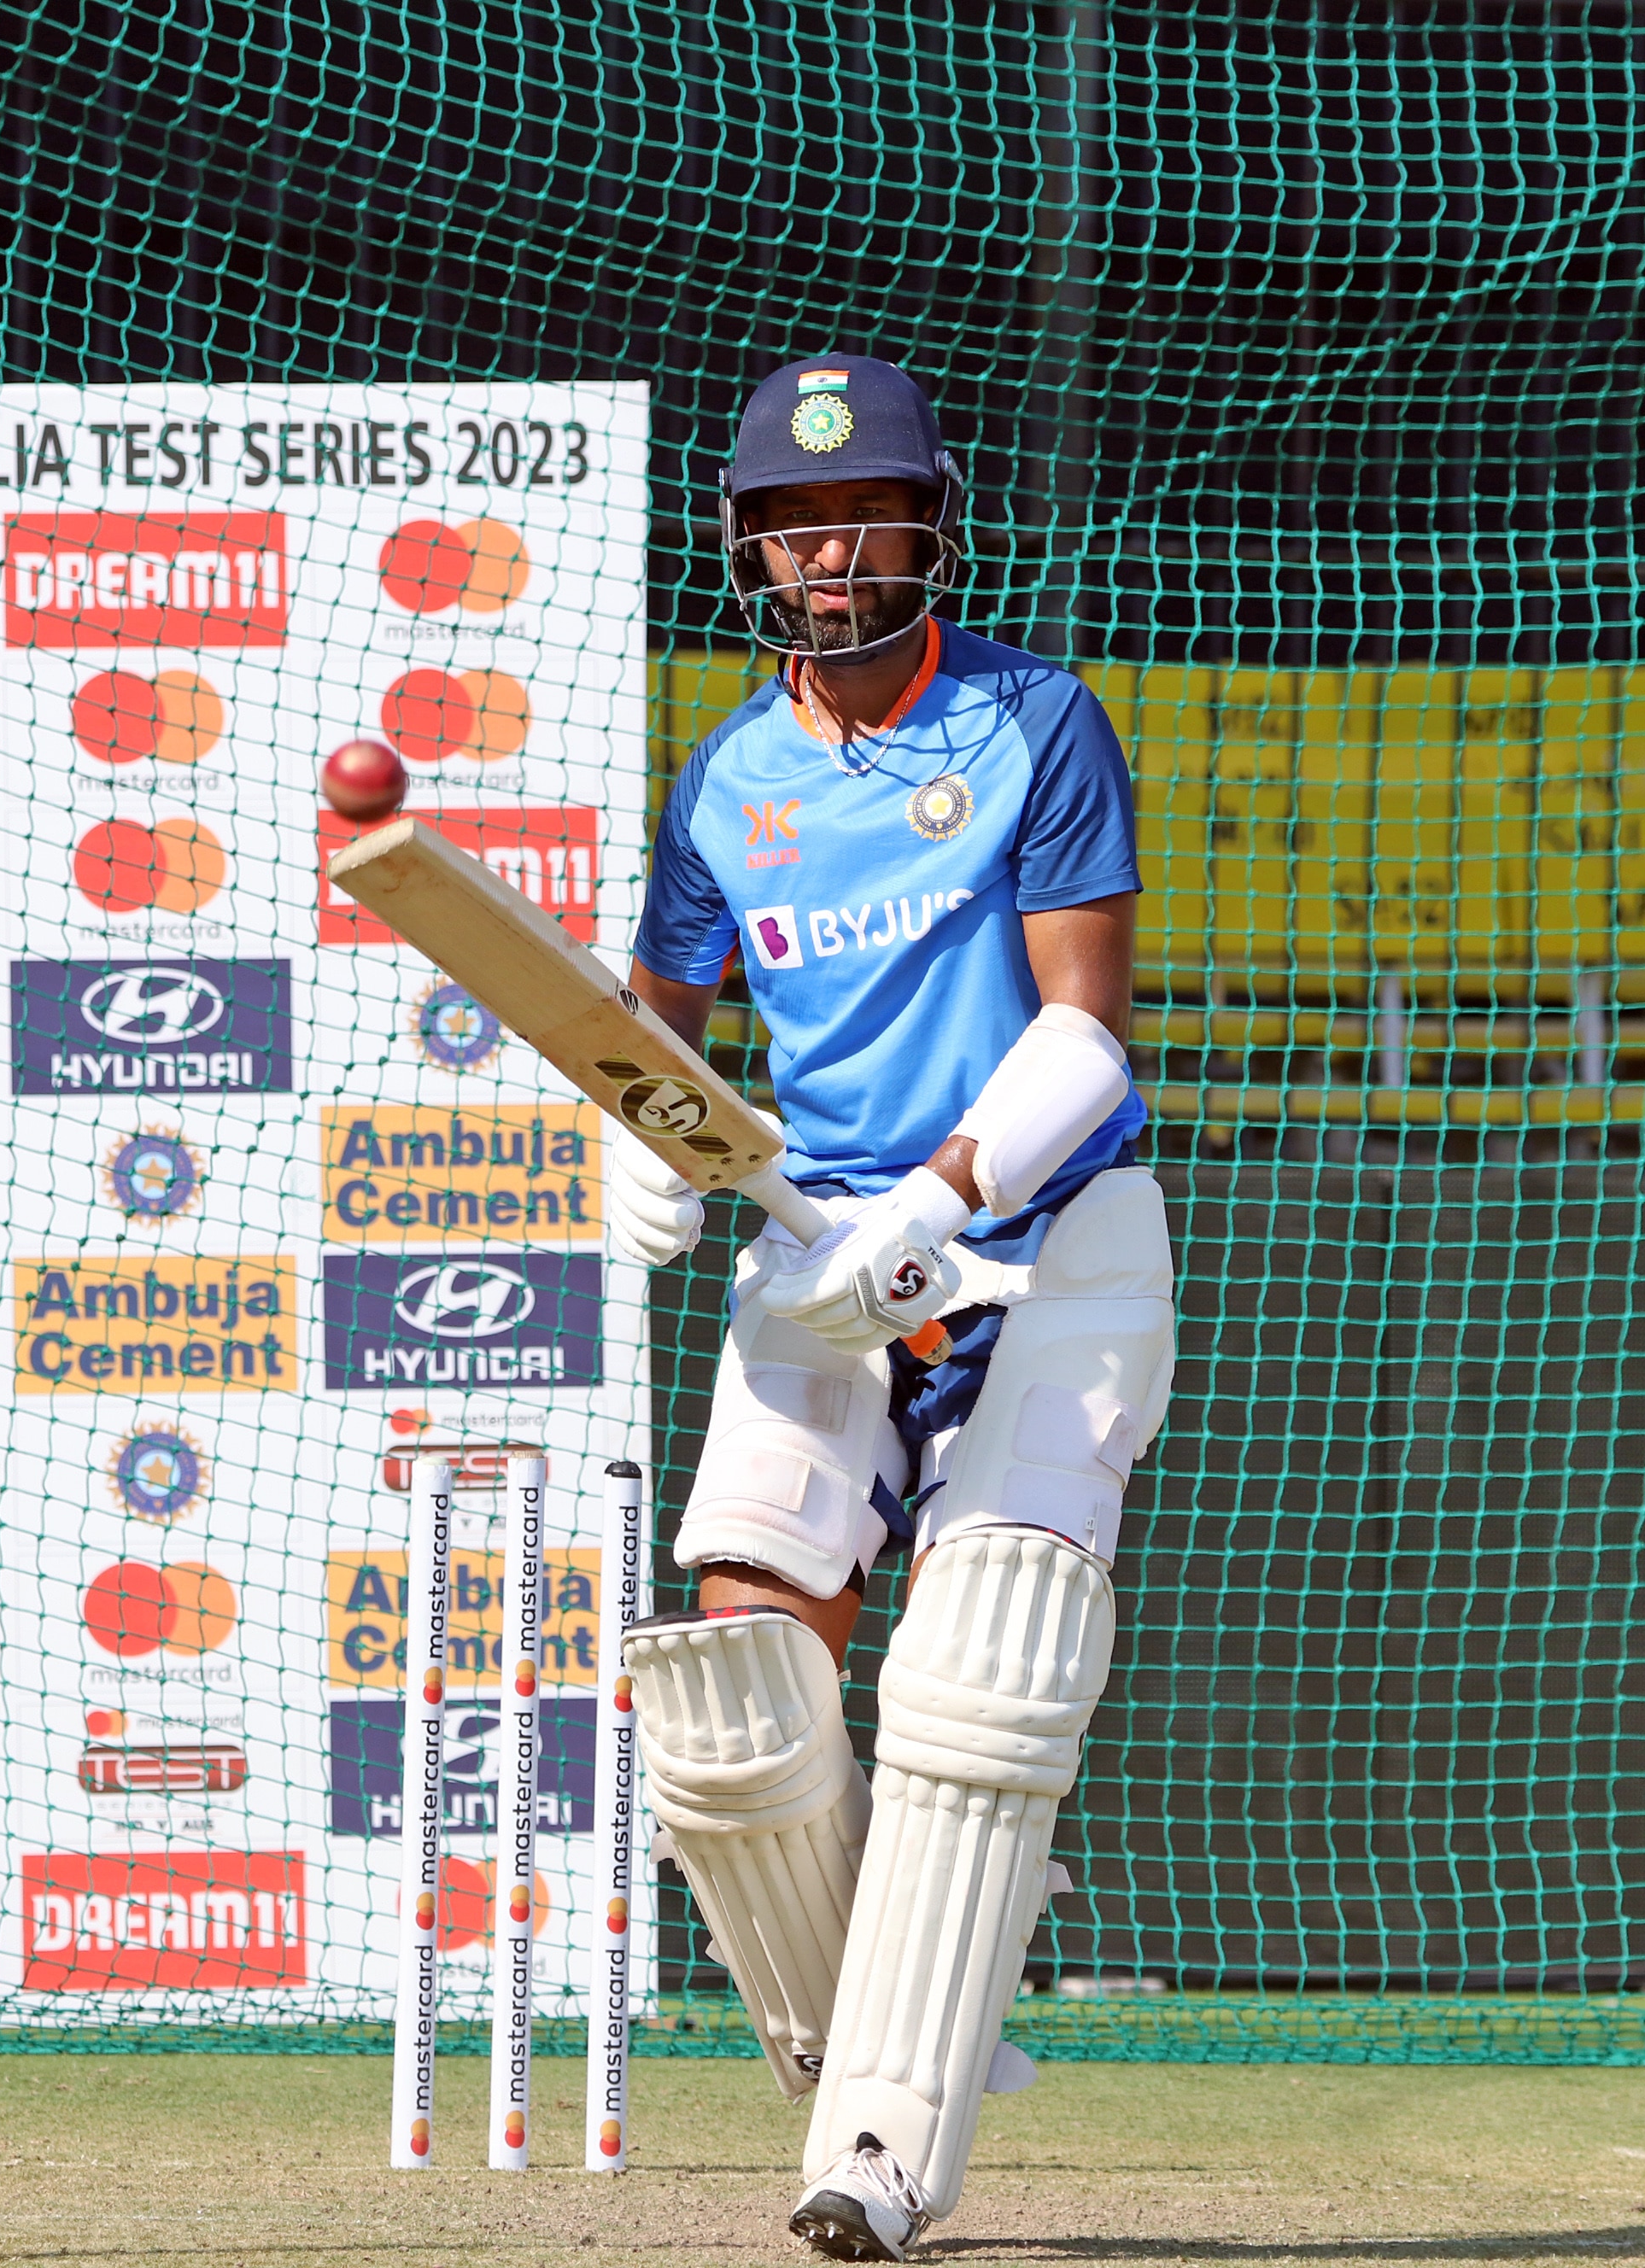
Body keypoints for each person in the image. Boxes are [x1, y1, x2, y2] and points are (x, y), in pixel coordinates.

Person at [610, 354, 1176, 2261]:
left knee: (975, 1679)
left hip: (1051, 1237)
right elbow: (654, 1041)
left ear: (932, 522)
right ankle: (921, 1989)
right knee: (728, 1708)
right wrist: (643, 1145)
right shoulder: (726, 780)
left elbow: (1087, 1036)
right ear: (748, 546)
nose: (825, 547)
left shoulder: (1033, 718)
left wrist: (939, 1199)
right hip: (824, 1263)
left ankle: (880, 2151)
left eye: (857, 513)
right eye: (787, 519)